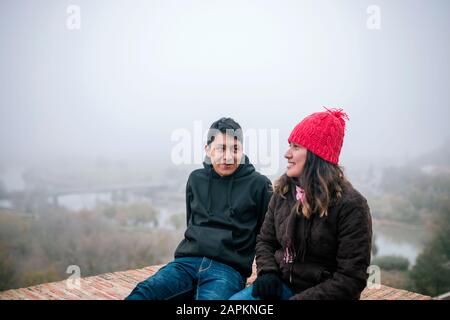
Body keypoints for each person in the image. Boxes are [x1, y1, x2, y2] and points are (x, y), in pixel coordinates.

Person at [230, 108, 372, 300]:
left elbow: (351, 278)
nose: (287, 154)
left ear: (316, 156)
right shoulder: (283, 192)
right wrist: (268, 272)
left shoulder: (351, 206)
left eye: (296, 147)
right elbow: (265, 240)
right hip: (281, 284)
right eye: (290, 145)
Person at [126, 117, 272, 300]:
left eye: (235, 148)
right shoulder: (196, 179)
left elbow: (267, 236)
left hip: (228, 269)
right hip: (185, 263)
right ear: (208, 149)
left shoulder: (259, 184)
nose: (228, 156)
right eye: (221, 148)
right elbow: (192, 223)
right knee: (144, 292)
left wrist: (267, 273)